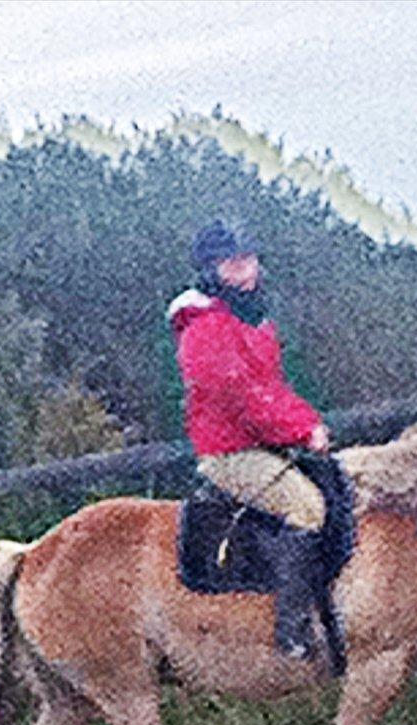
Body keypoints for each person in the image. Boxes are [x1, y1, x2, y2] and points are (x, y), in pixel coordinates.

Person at [168, 220, 332, 660]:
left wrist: (308, 422)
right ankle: (290, 630)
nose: (248, 272)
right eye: (234, 265)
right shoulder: (205, 327)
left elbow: (273, 389)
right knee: (307, 508)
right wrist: (301, 430)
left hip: (260, 442)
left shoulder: (252, 320)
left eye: (250, 260)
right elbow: (240, 397)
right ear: (212, 272)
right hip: (230, 451)